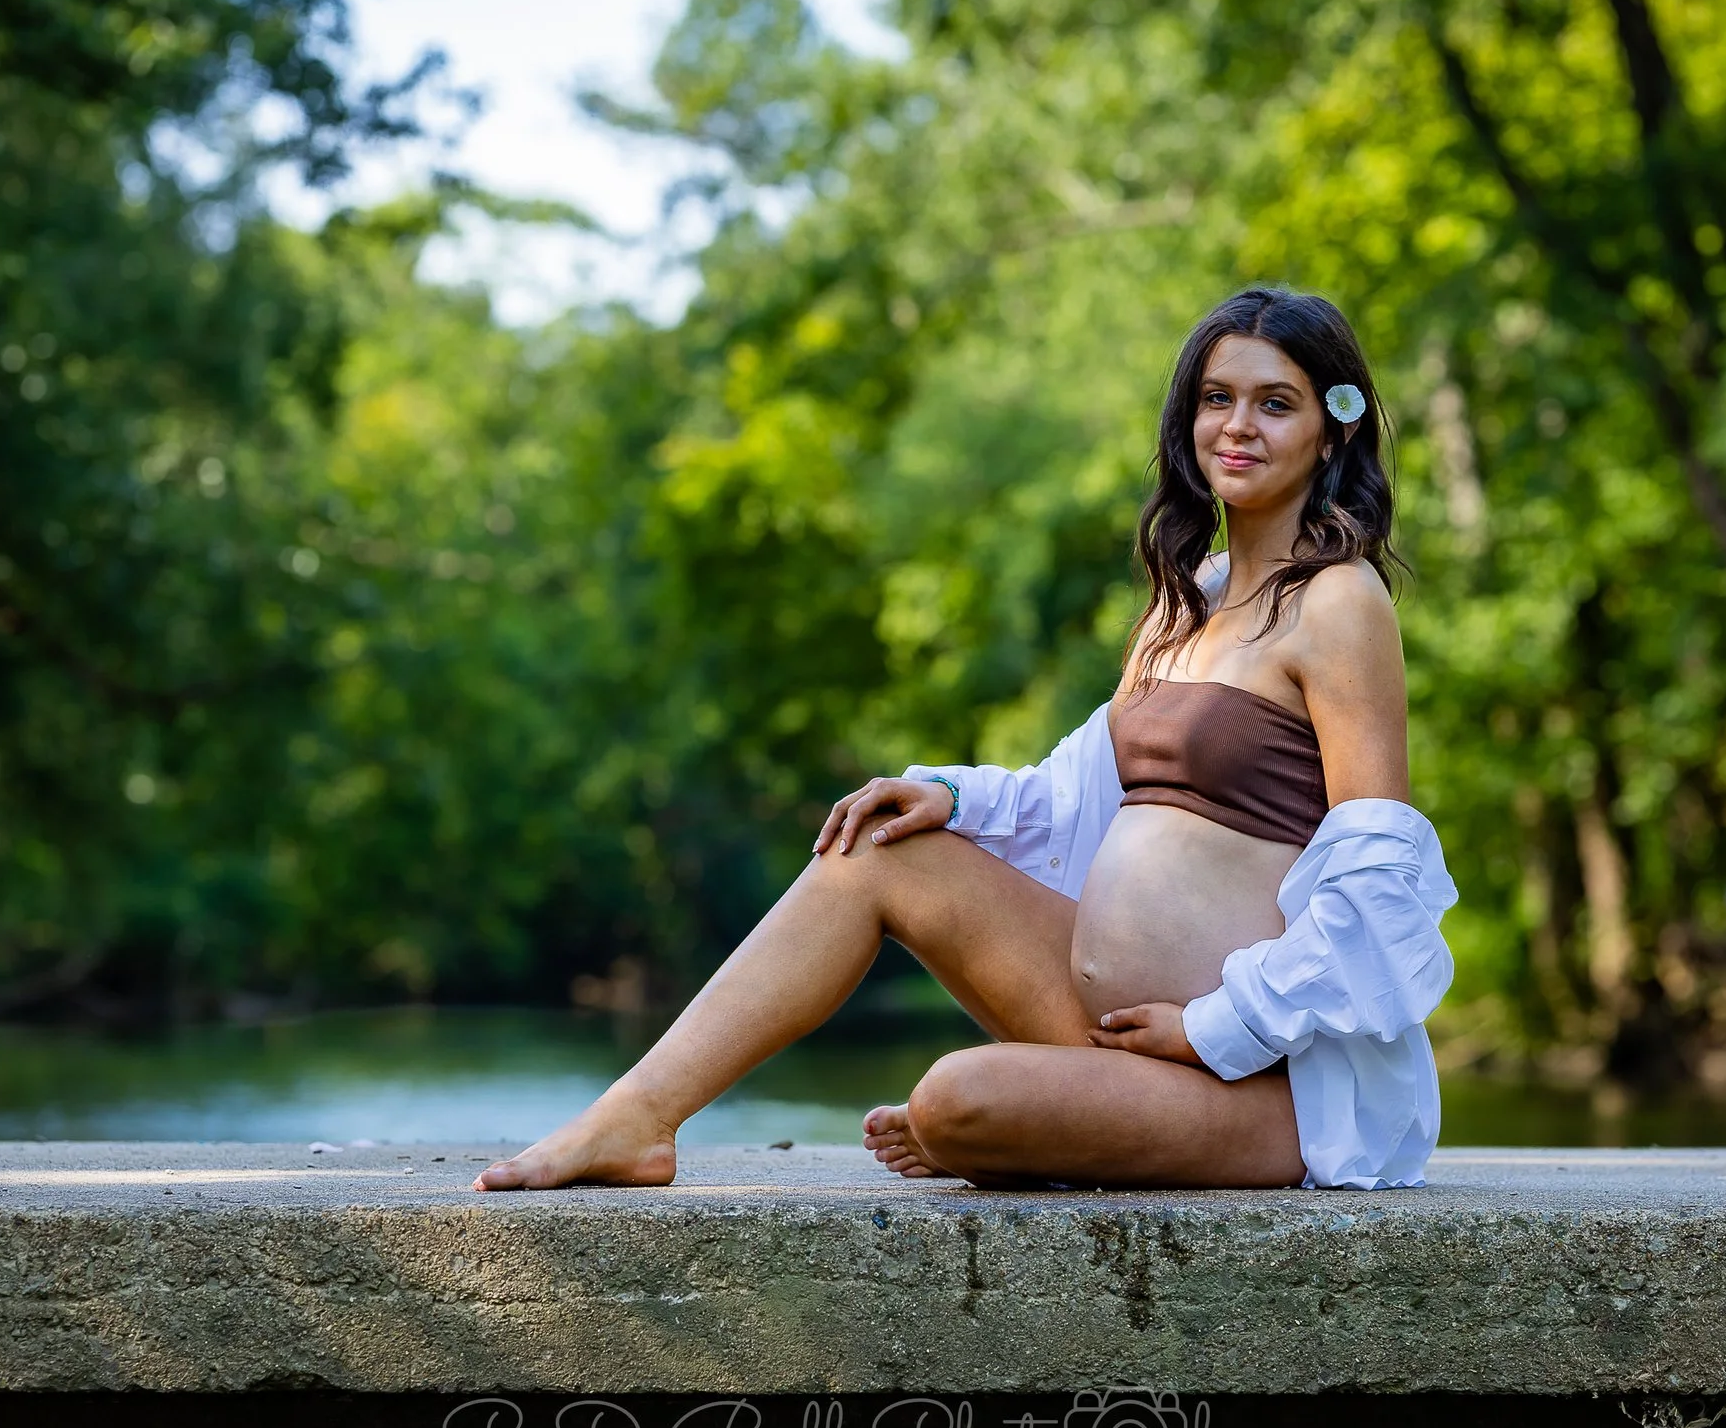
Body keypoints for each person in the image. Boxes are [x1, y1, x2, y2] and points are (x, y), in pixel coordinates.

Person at [475, 286, 1457, 1194]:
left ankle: (1015, 1123)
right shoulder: (1184, 602)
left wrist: (1215, 1028)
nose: (1236, 426)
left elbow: (1374, 884)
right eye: (1215, 396)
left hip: (1258, 1080)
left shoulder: (1339, 601)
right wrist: (949, 796)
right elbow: (1073, 791)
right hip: (1109, 1030)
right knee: (874, 851)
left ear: (1334, 429)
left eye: (1274, 402)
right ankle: (635, 1116)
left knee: (952, 1100)